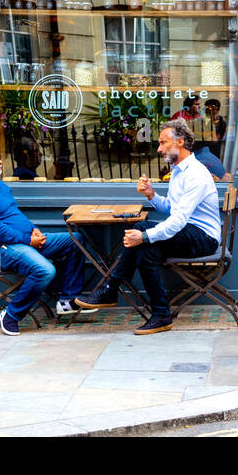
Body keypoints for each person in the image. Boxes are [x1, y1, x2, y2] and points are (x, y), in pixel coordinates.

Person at [75, 120, 221, 335]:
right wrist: (151, 195)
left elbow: (179, 219)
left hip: (203, 237)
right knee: (147, 251)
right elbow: (172, 208)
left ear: (180, 142)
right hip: (187, 231)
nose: (159, 149)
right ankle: (160, 314)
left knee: (143, 232)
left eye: (163, 143)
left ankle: (111, 290)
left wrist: (144, 236)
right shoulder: (179, 171)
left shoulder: (195, 174)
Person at [0, 143, 87, 335]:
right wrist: (28, 240)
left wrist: (34, 230)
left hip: (21, 242)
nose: (0, 162)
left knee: (75, 240)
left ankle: (67, 300)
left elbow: (14, 215)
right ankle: (11, 315)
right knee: (45, 270)